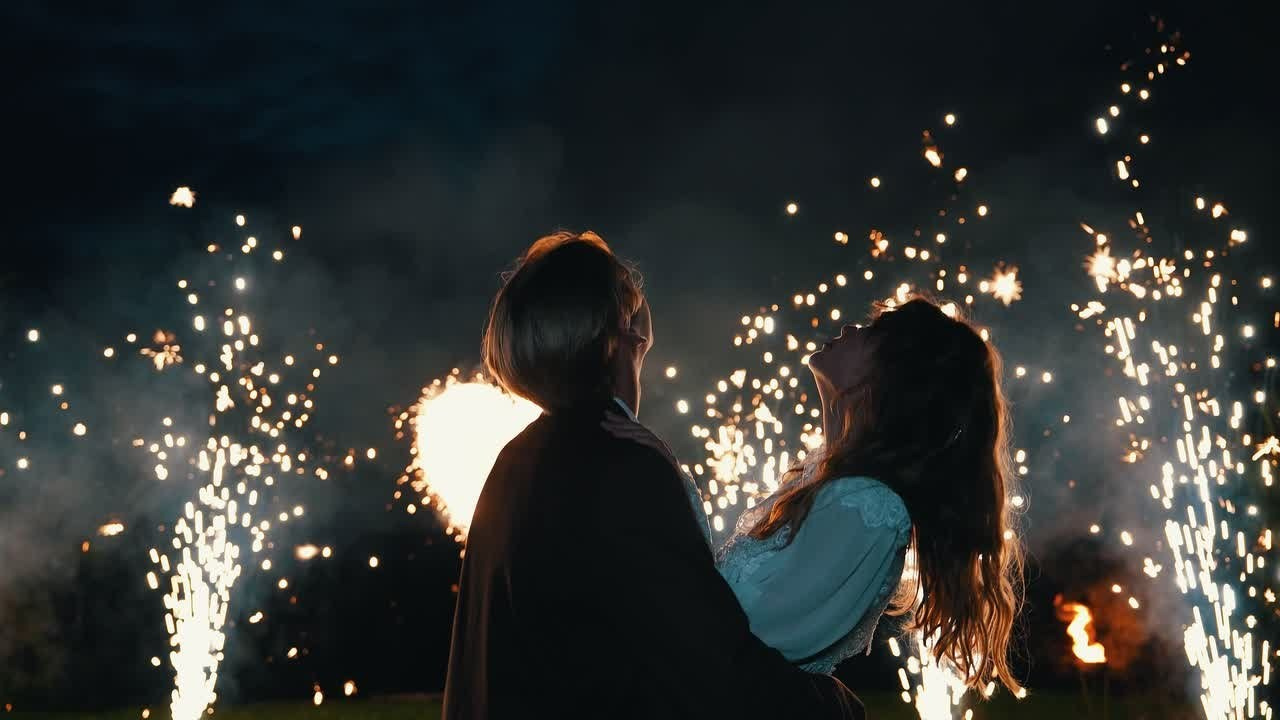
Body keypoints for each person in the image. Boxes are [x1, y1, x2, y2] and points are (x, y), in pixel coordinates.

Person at [442, 231, 863, 720]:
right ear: (630, 334)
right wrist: (835, 706)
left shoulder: (514, 460)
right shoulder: (624, 467)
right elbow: (709, 666)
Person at [608, 297, 1024, 692]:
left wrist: (662, 470)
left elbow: (732, 635)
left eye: (872, 330)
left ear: (893, 374)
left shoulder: (871, 510)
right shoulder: (828, 486)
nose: (849, 327)